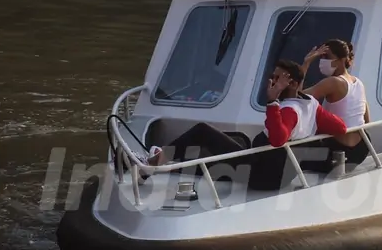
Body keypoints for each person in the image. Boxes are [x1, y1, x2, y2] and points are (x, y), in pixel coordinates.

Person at [146, 59, 346, 190]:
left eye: (278, 79)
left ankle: (155, 164)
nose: (272, 81)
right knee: (238, 139)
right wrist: (306, 129)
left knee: (202, 131)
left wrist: (272, 101)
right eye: (273, 76)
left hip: (262, 176)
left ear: (293, 84)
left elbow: (278, 139)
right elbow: (340, 127)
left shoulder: (288, 110)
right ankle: (170, 161)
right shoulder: (310, 104)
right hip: (278, 171)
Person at [300, 39, 371, 173]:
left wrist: (306, 63)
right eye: (321, 57)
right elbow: (367, 121)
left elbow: (297, 98)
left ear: (341, 60)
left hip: (339, 153)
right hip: (362, 149)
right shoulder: (358, 83)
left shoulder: (333, 82)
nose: (322, 61)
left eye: (327, 57)